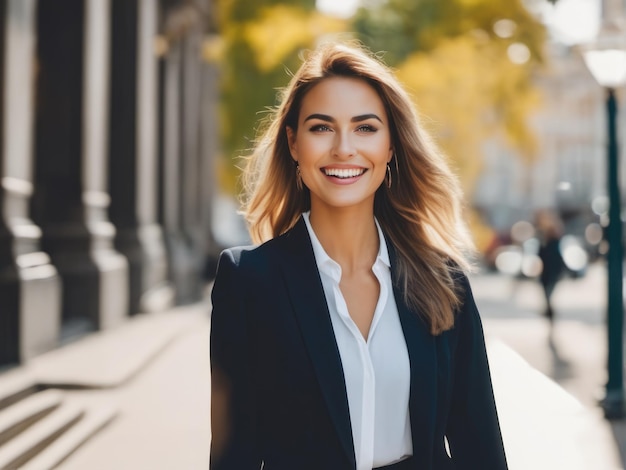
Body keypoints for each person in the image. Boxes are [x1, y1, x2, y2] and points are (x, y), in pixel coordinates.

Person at [210, 41, 507, 470]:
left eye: (365, 128)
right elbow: (232, 456)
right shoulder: (250, 282)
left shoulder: (443, 282)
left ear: (390, 148)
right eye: (321, 127)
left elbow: (481, 449)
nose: (344, 149)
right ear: (294, 143)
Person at [535, 209, 566, 323]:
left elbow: (556, 257)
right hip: (547, 271)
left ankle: (549, 310)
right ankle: (548, 310)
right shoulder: (545, 241)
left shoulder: (552, 242)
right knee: (547, 292)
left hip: (550, 271)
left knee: (548, 292)